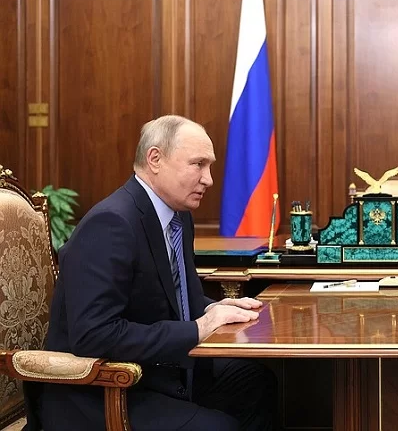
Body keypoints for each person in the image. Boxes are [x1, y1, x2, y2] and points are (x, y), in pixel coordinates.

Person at [35, 115, 278, 430]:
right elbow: (93, 335)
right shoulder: (110, 224)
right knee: (218, 426)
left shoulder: (177, 216)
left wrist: (214, 309)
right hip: (105, 391)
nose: (209, 179)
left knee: (257, 382)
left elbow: (177, 298)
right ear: (155, 159)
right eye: (198, 164)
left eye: (210, 166)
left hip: (157, 370)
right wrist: (199, 328)